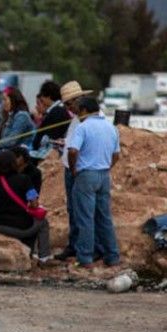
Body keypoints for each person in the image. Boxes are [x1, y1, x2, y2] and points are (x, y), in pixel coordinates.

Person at [66, 97, 121, 269]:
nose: (77, 114)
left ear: (83, 110)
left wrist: (74, 169)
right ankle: (112, 256)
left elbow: (73, 150)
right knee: (104, 218)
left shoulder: (83, 127)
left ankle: (85, 258)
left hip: (86, 175)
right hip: (104, 175)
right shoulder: (111, 128)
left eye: (78, 111)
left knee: (85, 218)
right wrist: (106, 166)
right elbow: (116, 155)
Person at [0, 150, 52, 262]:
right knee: (42, 223)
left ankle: (28, 253)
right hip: (21, 227)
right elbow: (34, 203)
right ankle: (44, 257)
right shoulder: (25, 179)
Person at [54, 81, 93, 261]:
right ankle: (73, 245)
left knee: (81, 211)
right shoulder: (75, 120)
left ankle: (83, 249)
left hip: (78, 169)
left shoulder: (88, 120)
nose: (68, 108)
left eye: (70, 104)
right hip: (70, 169)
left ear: (79, 100)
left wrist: (75, 167)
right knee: (72, 209)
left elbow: (79, 149)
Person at [32, 81, 70, 151]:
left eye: (42, 95)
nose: (41, 99)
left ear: (48, 96)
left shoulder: (58, 111)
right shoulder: (55, 110)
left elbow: (52, 136)